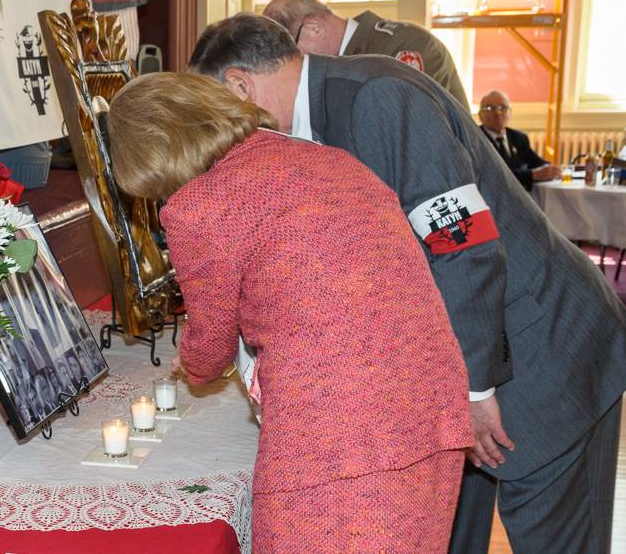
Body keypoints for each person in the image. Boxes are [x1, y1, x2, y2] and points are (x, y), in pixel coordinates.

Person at [187, 13, 626, 554]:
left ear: (239, 86)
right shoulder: (328, 108)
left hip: (542, 349)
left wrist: (474, 390)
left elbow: (465, 244)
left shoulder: (377, 97)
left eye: (217, 112)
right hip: (466, 355)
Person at [108, 71, 473, 552]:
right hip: (432, 403)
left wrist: (190, 363)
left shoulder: (199, 205)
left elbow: (211, 345)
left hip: (343, 431)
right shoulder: (327, 158)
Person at [264, 0, 469, 108]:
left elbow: (411, 131)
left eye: (294, 52)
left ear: (313, 28)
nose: (298, 63)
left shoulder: (403, 45)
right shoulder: (338, 64)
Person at [478, 90, 559, 191]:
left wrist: (550, 169)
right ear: (480, 115)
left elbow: (536, 162)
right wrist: (532, 175)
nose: (497, 113)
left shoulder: (519, 137)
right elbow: (496, 175)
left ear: (510, 112)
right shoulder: (476, 139)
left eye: (503, 107)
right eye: (489, 108)